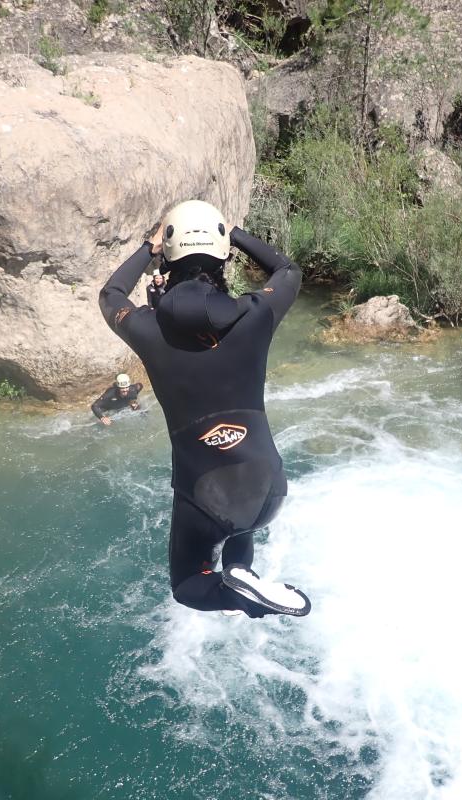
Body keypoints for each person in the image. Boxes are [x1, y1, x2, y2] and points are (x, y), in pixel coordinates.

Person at [100, 199, 310, 618]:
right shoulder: (256, 314)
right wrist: (235, 233)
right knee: (242, 524)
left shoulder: (147, 329)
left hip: (204, 494)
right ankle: (241, 573)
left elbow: (111, 294)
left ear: (168, 259)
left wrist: (148, 248)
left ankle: (240, 596)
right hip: (267, 489)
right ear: (223, 255)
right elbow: (288, 271)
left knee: (189, 585)